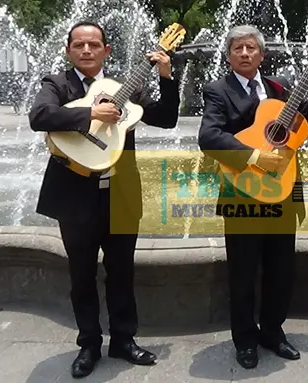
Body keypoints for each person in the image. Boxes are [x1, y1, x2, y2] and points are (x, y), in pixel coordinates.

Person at [28, 21, 180, 378]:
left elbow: (168, 119)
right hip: (74, 193)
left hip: (121, 191)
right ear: (68, 50)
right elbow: (39, 116)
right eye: (78, 44)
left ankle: (124, 340)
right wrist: (90, 114)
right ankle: (89, 344)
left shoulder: (122, 88)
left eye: (93, 44)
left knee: (122, 270)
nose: (86, 50)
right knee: (81, 273)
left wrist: (167, 76)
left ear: (106, 50)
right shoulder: (58, 84)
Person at [197, 24, 308, 369]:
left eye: (250, 48)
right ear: (228, 55)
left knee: (281, 269)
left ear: (262, 54)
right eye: (237, 48)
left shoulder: (279, 87)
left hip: (281, 188)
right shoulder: (217, 90)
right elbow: (209, 137)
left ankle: (273, 331)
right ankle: (245, 340)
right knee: (242, 272)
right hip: (241, 189)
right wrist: (256, 156)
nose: (244, 54)